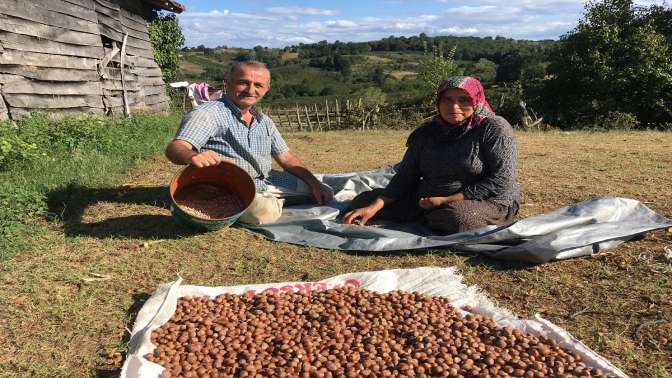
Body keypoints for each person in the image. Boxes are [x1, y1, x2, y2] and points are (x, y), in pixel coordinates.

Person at [343, 76, 519, 234]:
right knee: (362, 202)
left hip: (486, 201)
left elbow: (502, 179)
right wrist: (374, 208)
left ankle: (430, 216)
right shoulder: (426, 133)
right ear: (438, 102)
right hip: (428, 199)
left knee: (458, 218)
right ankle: (430, 215)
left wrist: (446, 200)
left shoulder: (493, 127)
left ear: (476, 101)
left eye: (464, 100)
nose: (454, 106)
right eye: (447, 99)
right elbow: (406, 176)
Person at [165, 61, 333, 224]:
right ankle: (273, 202)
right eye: (243, 83)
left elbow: (287, 159)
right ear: (228, 83)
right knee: (263, 212)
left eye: (258, 85)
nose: (251, 90)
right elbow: (176, 148)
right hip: (228, 186)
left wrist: (314, 183)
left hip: (266, 180)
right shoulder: (208, 113)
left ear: (267, 89)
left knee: (324, 191)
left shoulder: (263, 121)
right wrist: (192, 155)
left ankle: (277, 198)